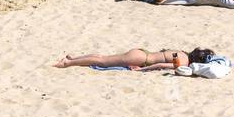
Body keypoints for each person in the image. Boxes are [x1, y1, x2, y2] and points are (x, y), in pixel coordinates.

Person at [55, 48, 214, 71]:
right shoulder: (183, 63)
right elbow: (159, 64)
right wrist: (142, 70)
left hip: (141, 51)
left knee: (104, 58)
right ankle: (68, 63)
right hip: (141, 59)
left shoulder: (181, 53)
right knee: (102, 62)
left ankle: (73, 58)